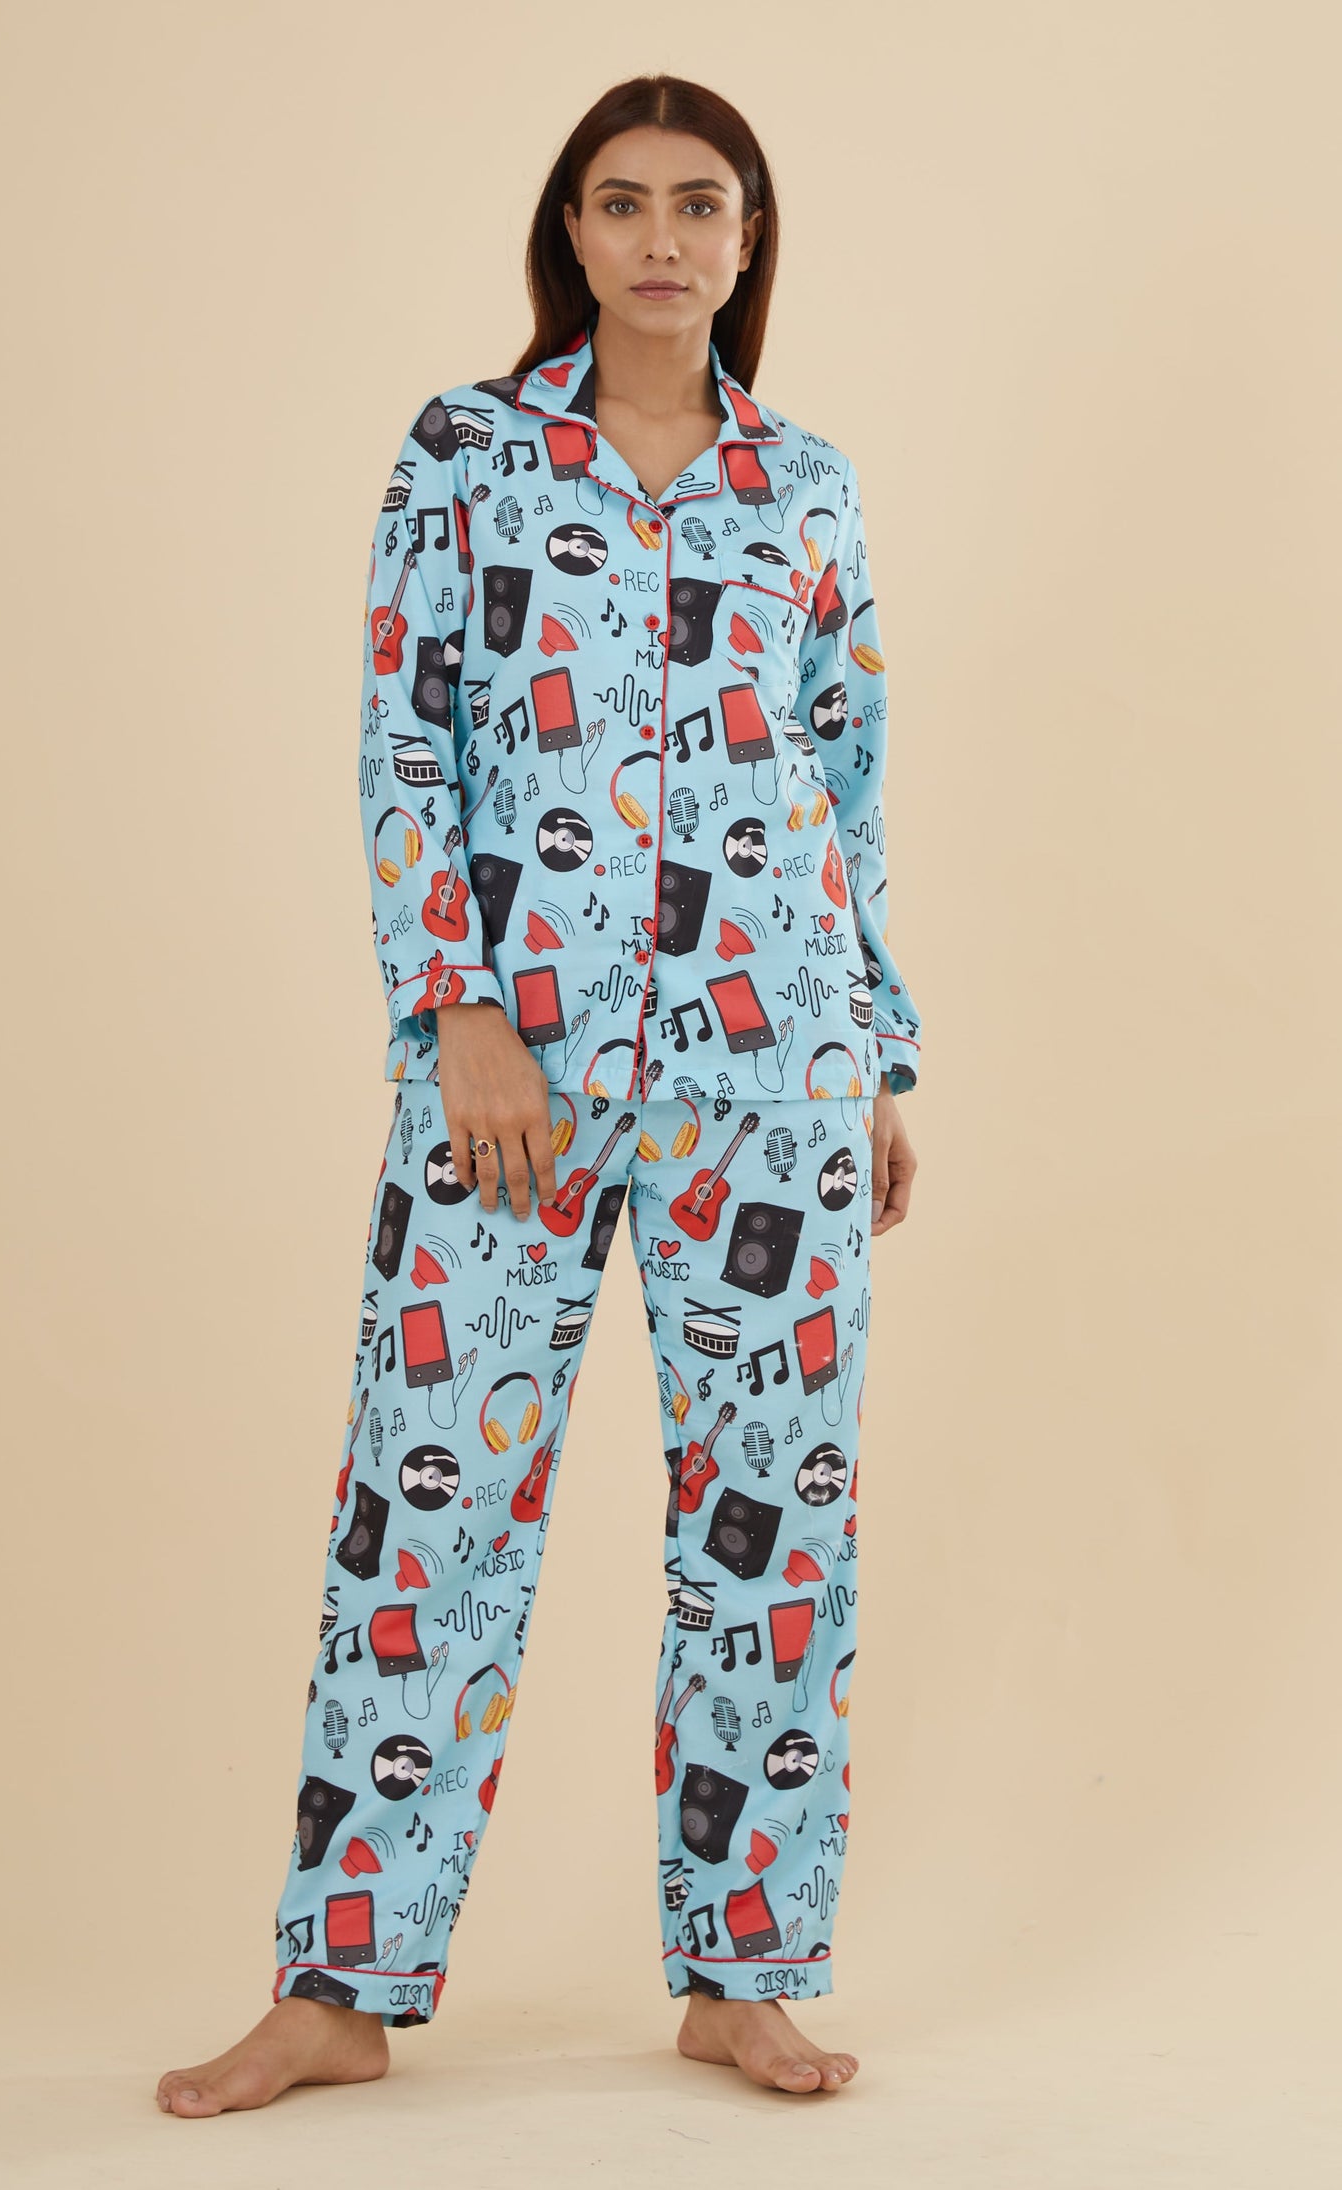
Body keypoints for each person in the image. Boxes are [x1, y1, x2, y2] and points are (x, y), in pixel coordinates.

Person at [157, 71, 921, 2117]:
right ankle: (340, 1984)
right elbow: (406, 740)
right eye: (621, 201)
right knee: (429, 1504)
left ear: (746, 239)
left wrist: (881, 1058)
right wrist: (456, 1011)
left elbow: (846, 785)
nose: (661, 237)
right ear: (569, 232)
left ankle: (743, 1974)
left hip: (777, 1071)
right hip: (516, 1079)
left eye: (699, 203)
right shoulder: (468, 453)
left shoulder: (811, 487)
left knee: (774, 1530)